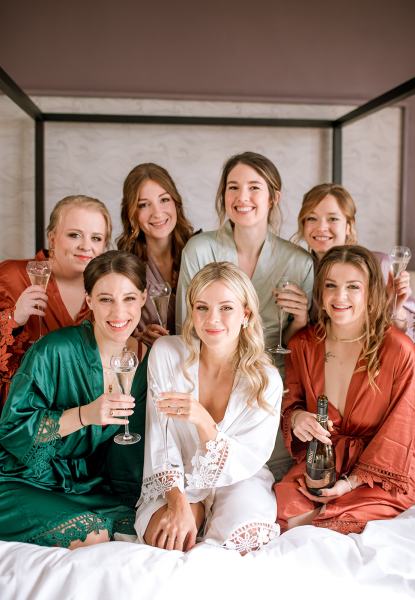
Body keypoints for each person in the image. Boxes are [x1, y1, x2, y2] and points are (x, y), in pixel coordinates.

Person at [176, 152, 314, 480]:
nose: (242, 198)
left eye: (254, 187)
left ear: (273, 197)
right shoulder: (199, 250)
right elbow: (187, 325)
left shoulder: (299, 262)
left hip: (272, 385)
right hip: (211, 377)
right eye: (233, 188)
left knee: (265, 478)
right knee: (208, 470)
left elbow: (303, 345)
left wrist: (300, 319)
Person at [0, 250, 148, 548]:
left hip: (89, 486)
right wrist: (84, 415)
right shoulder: (53, 350)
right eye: (106, 299)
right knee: (92, 533)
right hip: (20, 480)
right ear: (89, 300)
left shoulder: (147, 360)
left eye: (129, 298)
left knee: (134, 529)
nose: (119, 312)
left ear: (144, 298)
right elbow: (11, 430)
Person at [135, 261, 282, 553]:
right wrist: (179, 503)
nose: (212, 319)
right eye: (202, 307)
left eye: (226, 308)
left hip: (239, 479)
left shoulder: (266, 379)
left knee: (239, 546)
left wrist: (203, 421)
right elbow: (160, 441)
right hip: (175, 479)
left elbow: (250, 455)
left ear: (246, 314)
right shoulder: (166, 354)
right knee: (168, 542)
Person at [274, 245, 415, 534]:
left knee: (328, 525)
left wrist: (350, 483)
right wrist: (298, 418)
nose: (340, 297)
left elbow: (400, 434)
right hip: (320, 467)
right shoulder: (303, 344)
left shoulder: (399, 350)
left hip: (379, 476)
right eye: (331, 286)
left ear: (371, 292)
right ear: (320, 292)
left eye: (353, 287)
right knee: (281, 515)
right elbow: (290, 405)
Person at [0, 194, 113, 406]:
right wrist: (14, 318)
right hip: (21, 413)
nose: (86, 246)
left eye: (96, 238)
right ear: (52, 237)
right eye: (74, 235)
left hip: (81, 416)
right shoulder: (11, 276)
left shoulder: (107, 290)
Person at [293, 182, 414, 340]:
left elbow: (406, 337)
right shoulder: (296, 269)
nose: (321, 227)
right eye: (312, 218)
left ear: (349, 226)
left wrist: (395, 309)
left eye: (333, 219)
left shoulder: (378, 264)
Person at [117, 163, 194, 346]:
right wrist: (140, 337)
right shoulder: (123, 265)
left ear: (176, 202)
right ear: (131, 213)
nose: (157, 212)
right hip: (146, 364)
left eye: (164, 200)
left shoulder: (199, 251)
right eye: (144, 205)